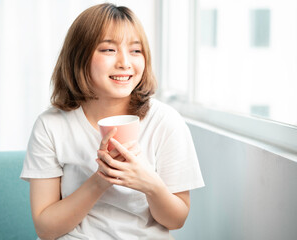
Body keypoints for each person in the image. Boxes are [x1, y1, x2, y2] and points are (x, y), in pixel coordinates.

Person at [20, 3, 204, 240]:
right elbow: (45, 229)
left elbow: (176, 220)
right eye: (108, 50)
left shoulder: (165, 121)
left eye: (136, 51)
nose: (125, 63)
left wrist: (149, 182)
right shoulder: (51, 125)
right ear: (79, 56)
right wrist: (101, 179)